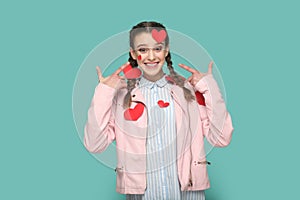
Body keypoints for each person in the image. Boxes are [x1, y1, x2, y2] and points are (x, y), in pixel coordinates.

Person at [84, 21, 234, 200]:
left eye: (157, 48)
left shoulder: (188, 91)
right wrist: (104, 92)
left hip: (188, 194)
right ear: (133, 53)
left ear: (166, 50)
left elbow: (221, 138)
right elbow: (95, 144)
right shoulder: (121, 97)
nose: (151, 56)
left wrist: (209, 87)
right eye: (142, 50)